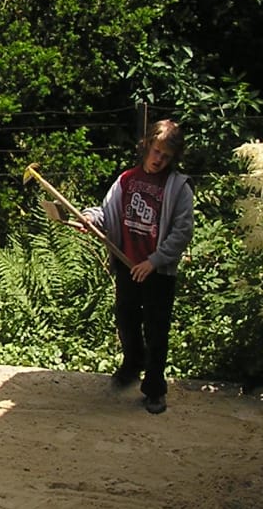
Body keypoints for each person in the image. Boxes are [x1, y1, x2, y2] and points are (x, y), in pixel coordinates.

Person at [78, 118, 194, 414]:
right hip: (127, 265)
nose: (159, 159)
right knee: (126, 320)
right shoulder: (127, 180)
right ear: (147, 146)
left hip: (158, 272)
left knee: (157, 330)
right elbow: (106, 212)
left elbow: (182, 232)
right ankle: (133, 363)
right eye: (156, 151)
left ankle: (154, 389)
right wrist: (90, 219)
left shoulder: (178, 188)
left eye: (166, 156)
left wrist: (154, 261)